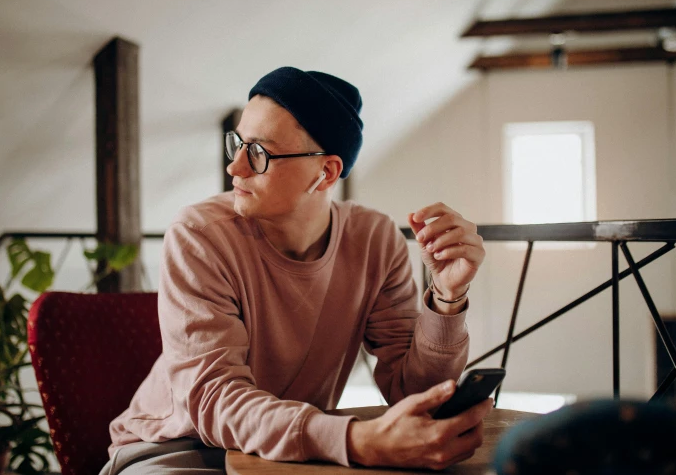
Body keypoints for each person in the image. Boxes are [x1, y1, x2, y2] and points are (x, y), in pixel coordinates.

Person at [101, 67, 489, 474]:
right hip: (179, 449)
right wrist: (356, 440)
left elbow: (414, 392)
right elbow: (213, 400)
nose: (235, 168)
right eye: (237, 144)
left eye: (258, 153)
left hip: (294, 453)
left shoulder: (375, 239)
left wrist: (446, 298)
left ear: (326, 173)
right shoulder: (200, 236)